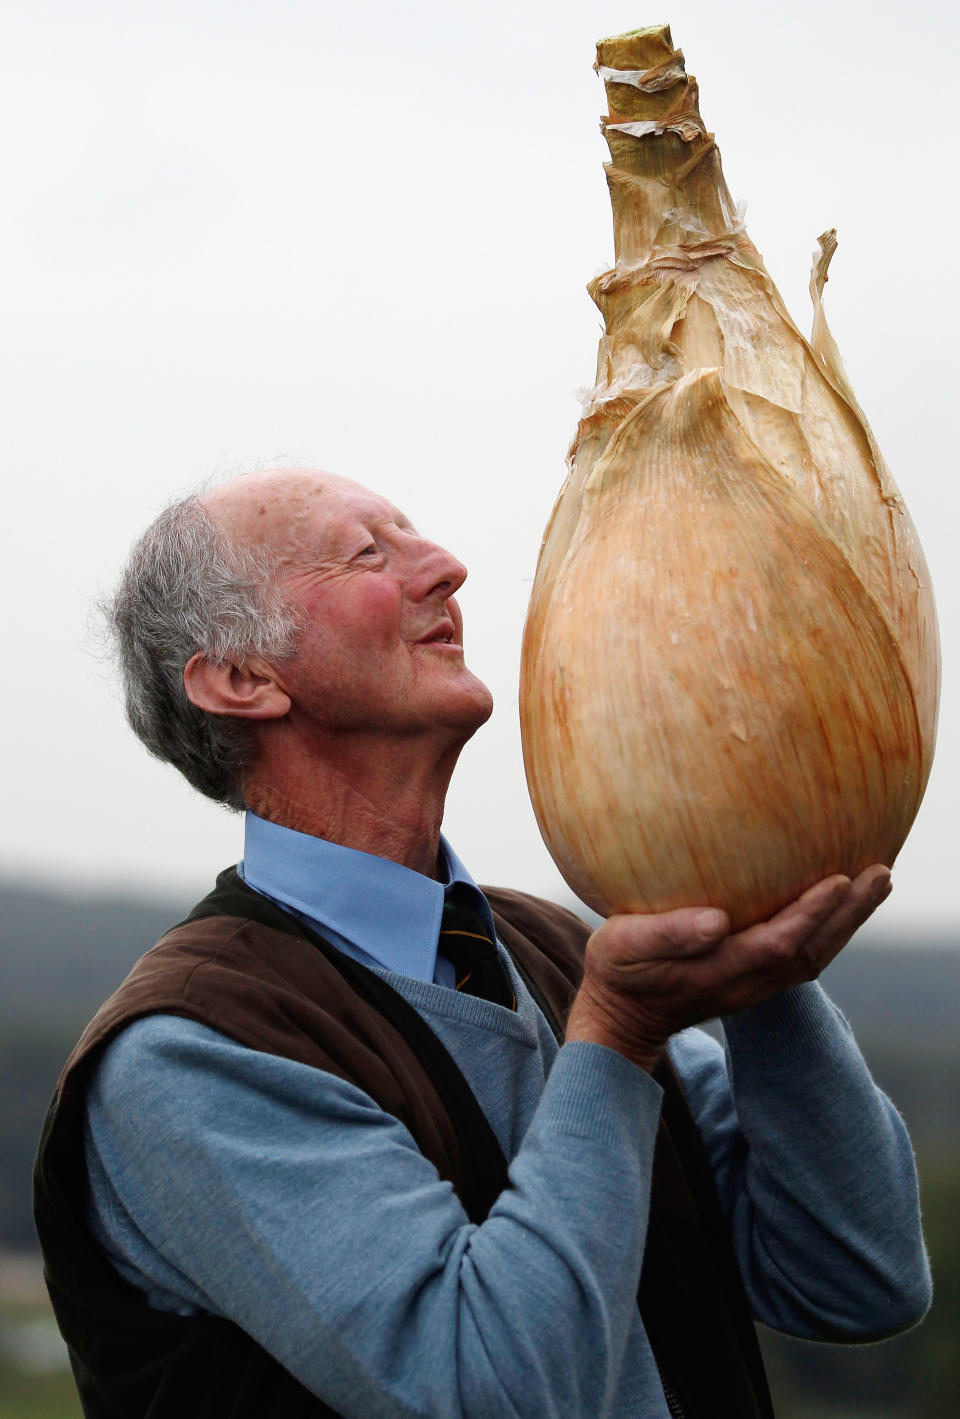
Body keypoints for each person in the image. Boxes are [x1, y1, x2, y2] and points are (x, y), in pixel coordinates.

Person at [34, 467, 931, 1419]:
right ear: (242, 678)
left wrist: (763, 961)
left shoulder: (556, 953)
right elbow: (492, 1389)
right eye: (370, 552)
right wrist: (619, 1035)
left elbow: (857, 1276)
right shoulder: (191, 1052)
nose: (449, 568)